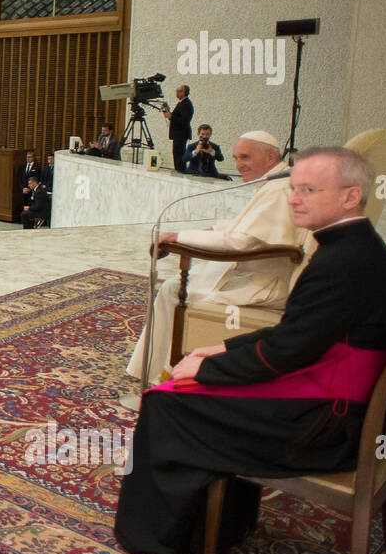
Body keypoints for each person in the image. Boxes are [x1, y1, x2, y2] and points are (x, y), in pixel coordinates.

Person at [115, 147, 386, 554]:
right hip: (339, 401)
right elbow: (302, 335)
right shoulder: (358, 246)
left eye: (308, 190)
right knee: (186, 388)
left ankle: (160, 538)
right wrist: (222, 346)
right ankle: (219, 528)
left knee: (168, 401)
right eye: (293, 189)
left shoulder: (341, 261)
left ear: (350, 197)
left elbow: (285, 352)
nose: (293, 199)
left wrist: (204, 370)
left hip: (328, 428)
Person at [126, 130, 303, 386]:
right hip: (259, 273)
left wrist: (181, 237)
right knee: (175, 285)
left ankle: (163, 374)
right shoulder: (276, 182)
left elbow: (241, 241)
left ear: (270, 156)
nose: (239, 164)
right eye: (236, 157)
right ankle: (159, 369)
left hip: (264, 285)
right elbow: (250, 227)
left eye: (245, 157)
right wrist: (215, 230)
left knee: (174, 289)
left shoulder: (278, 189)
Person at [161, 83, 194, 173]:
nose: (177, 93)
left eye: (180, 91)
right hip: (178, 134)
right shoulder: (182, 103)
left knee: (179, 154)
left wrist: (171, 116)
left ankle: (180, 171)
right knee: (177, 153)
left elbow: (184, 120)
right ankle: (179, 170)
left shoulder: (186, 103)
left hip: (181, 134)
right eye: (177, 91)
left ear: (186, 92)